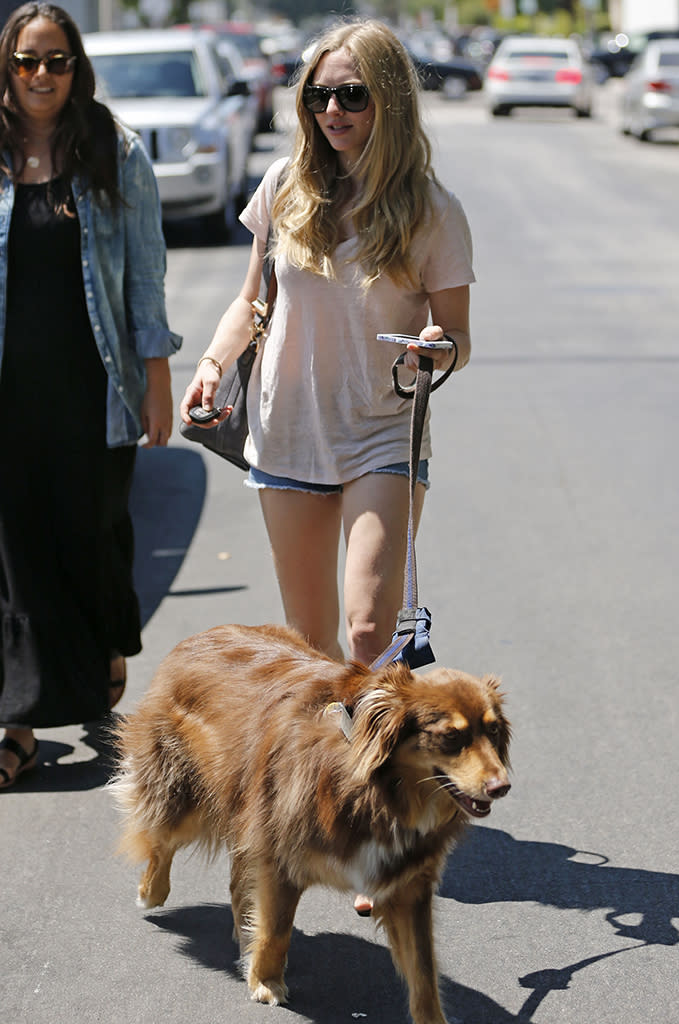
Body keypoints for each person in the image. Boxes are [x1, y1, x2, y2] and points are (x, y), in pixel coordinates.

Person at [181, 15, 473, 903]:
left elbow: (457, 334)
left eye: (352, 93)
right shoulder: (284, 186)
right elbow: (251, 301)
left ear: (388, 99)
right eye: (320, 94)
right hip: (286, 432)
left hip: (384, 428)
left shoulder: (430, 207)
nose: (334, 109)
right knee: (309, 657)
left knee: (366, 634)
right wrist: (211, 365)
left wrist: (435, 349)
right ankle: (324, 810)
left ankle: (386, 825)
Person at [0, 3, 181, 789]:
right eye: (26, 61)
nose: (42, 75)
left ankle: (105, 654)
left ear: (78, 67)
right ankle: (15, 720)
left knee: (94, 537)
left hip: (92, 388)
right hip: (9, 394)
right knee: (12, 555)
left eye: (57, 61)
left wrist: (158, 380)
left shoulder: (114, 150)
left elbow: (145, 275)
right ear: (6, 68)